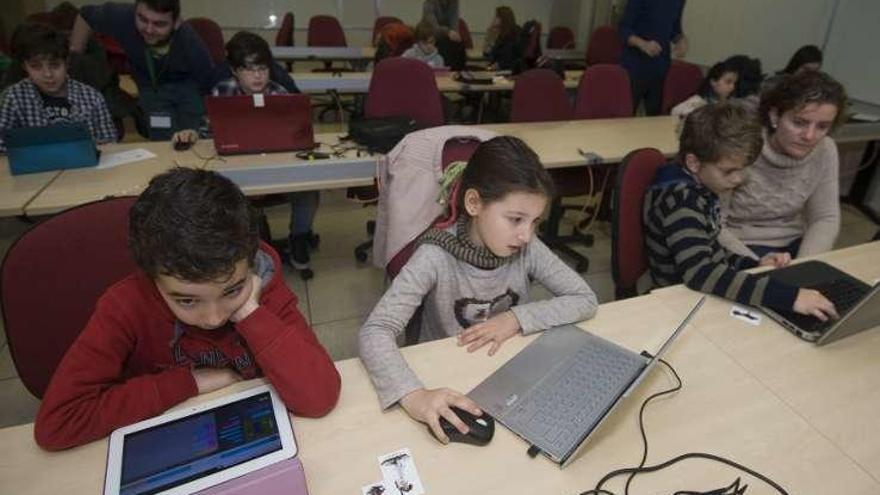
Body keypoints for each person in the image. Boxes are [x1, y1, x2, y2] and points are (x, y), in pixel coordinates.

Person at [34, 168, 341, 451]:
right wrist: (189, 382)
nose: (215, 317)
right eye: (187, 300)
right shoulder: (125, 305)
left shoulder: (264, 283)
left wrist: (251, 311)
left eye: (231, 290)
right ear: (152, 277)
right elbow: (58, 423)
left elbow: (320, 397)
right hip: (172, 437)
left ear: (250, 266)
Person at [359, 136, 599, 443]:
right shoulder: (435, 255)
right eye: (515, 219)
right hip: (450, 373)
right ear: (474, 203)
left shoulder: (527, 248)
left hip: (510, 370)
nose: (526, 235)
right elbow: (375, 330)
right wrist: (413, 395)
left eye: (535, 221)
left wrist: (516, 318)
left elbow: (584, 299)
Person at [644, 102, 838, 321]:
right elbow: (700, 273)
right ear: (694, 163)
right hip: (679, 300)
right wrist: (790, 297)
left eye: (744, 168)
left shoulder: (701, 187)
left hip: (698, 291)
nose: (738, 179)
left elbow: (710, 249)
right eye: (729, 171)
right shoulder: (682, 201)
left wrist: (753, 264)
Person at [171, 31, 318, 277]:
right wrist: (192, 134)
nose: (258, 75)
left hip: (278, 168)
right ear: (235, 71)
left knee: (309, 191)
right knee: (223, 198)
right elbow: (208, 133)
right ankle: (251, 246)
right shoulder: (222, 92)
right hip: (237, 173)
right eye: (249, 69)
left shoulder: (281, 93)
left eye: (263, 68)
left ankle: (299, 238)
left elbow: (298, 134)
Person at [725, 71, 847, 258]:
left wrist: (805, 265)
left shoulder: (826, 149)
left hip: (793, 245)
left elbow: (825, 218)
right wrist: (756, 264)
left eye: (822, 126)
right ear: (775, 116)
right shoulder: (741, 145)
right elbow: (713, 224)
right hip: (738, 247)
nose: (809, 136)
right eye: (799, 123)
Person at [69, 0, 215, 140]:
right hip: (149, 85)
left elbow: (209, 83)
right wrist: (75, 57)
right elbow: (85, 15)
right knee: (163, 139)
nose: (149, 29)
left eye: (159, 24)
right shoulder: (122, 15)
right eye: (142, 19)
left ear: (176, 23)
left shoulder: (190, 42)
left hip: (187, 86)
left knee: (190, 138)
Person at [0, 22, 116, 152]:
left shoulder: (92, 98)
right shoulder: (14, 98)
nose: (48, 74)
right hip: (35, 169)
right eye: (36, 67)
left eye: (55, 65)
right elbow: (2, 145)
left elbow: (109, 143)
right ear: (24, 66)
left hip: (84, 169)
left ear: (67, 63)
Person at [618, 0, 687, 116]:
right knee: (626, 114)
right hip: (635, 66)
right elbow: (623, 29)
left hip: (661, 67)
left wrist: (681, 40)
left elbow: (675, 29)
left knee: (654, 116)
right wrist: (642, 44)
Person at [671, 60, 738, 118]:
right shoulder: (699, 101)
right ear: (713, 82)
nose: (732, 86)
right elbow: (674, 111)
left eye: (734, 83)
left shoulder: (730, 103)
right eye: (728, 82)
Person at [422, 0, 466, 70]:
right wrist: (448, 32)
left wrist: (455, 34)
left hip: (448, 36)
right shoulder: (429, 3)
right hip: (431, 36)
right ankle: (446, 71)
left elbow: (454, 21)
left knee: (458, 44)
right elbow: (433, 27)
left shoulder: (454, 2)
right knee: (444, 45)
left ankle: (458, 73)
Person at [483, 6, 521, 71]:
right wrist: (490, 35)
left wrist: (496, 65)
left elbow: (507, 58)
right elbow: (486, 53)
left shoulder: (513, 33)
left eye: (496, 16)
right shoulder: (501, 33)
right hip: (500, 69)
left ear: (503, 18)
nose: (494, 19)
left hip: (508, 72)